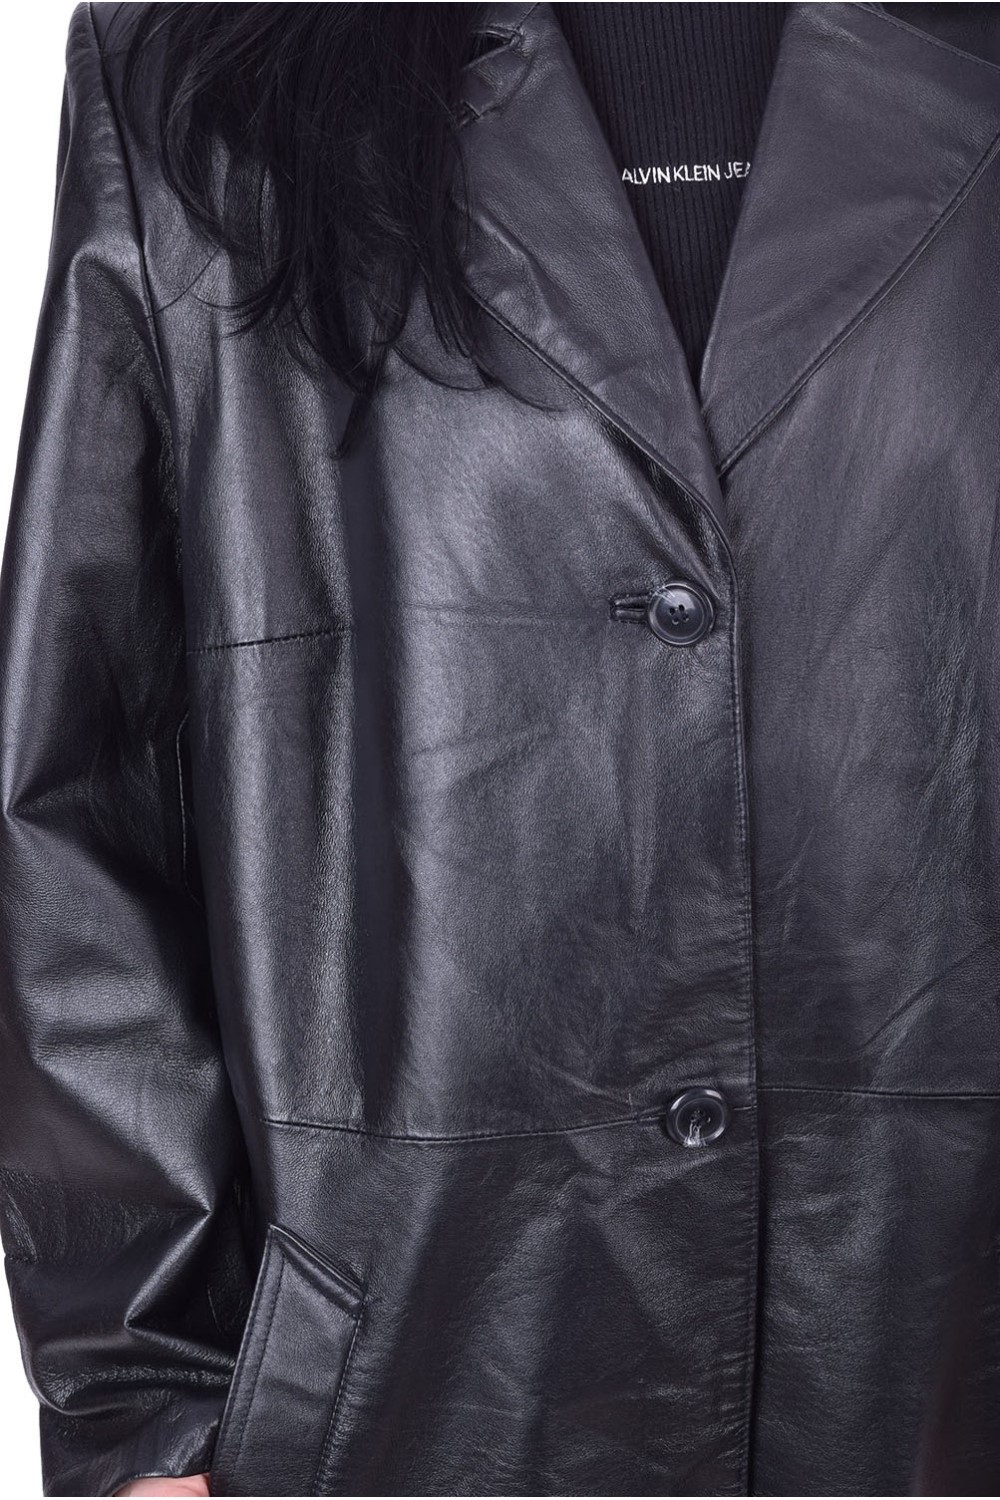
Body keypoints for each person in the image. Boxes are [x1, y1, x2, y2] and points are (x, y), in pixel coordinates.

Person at [4, 1, 1000, 1496]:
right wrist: (147, 1410)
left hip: (929, 1348)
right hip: (413, 1375)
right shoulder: (205, 82)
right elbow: (82, 792)